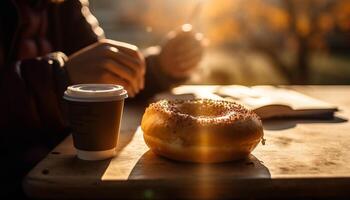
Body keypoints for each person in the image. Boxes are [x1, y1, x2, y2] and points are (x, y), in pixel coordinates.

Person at [0, 0, 204, 197]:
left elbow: (101, 75)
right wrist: (59, 78)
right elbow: (75, 72)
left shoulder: (65, 4)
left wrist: (161, 66)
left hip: (67, 169)